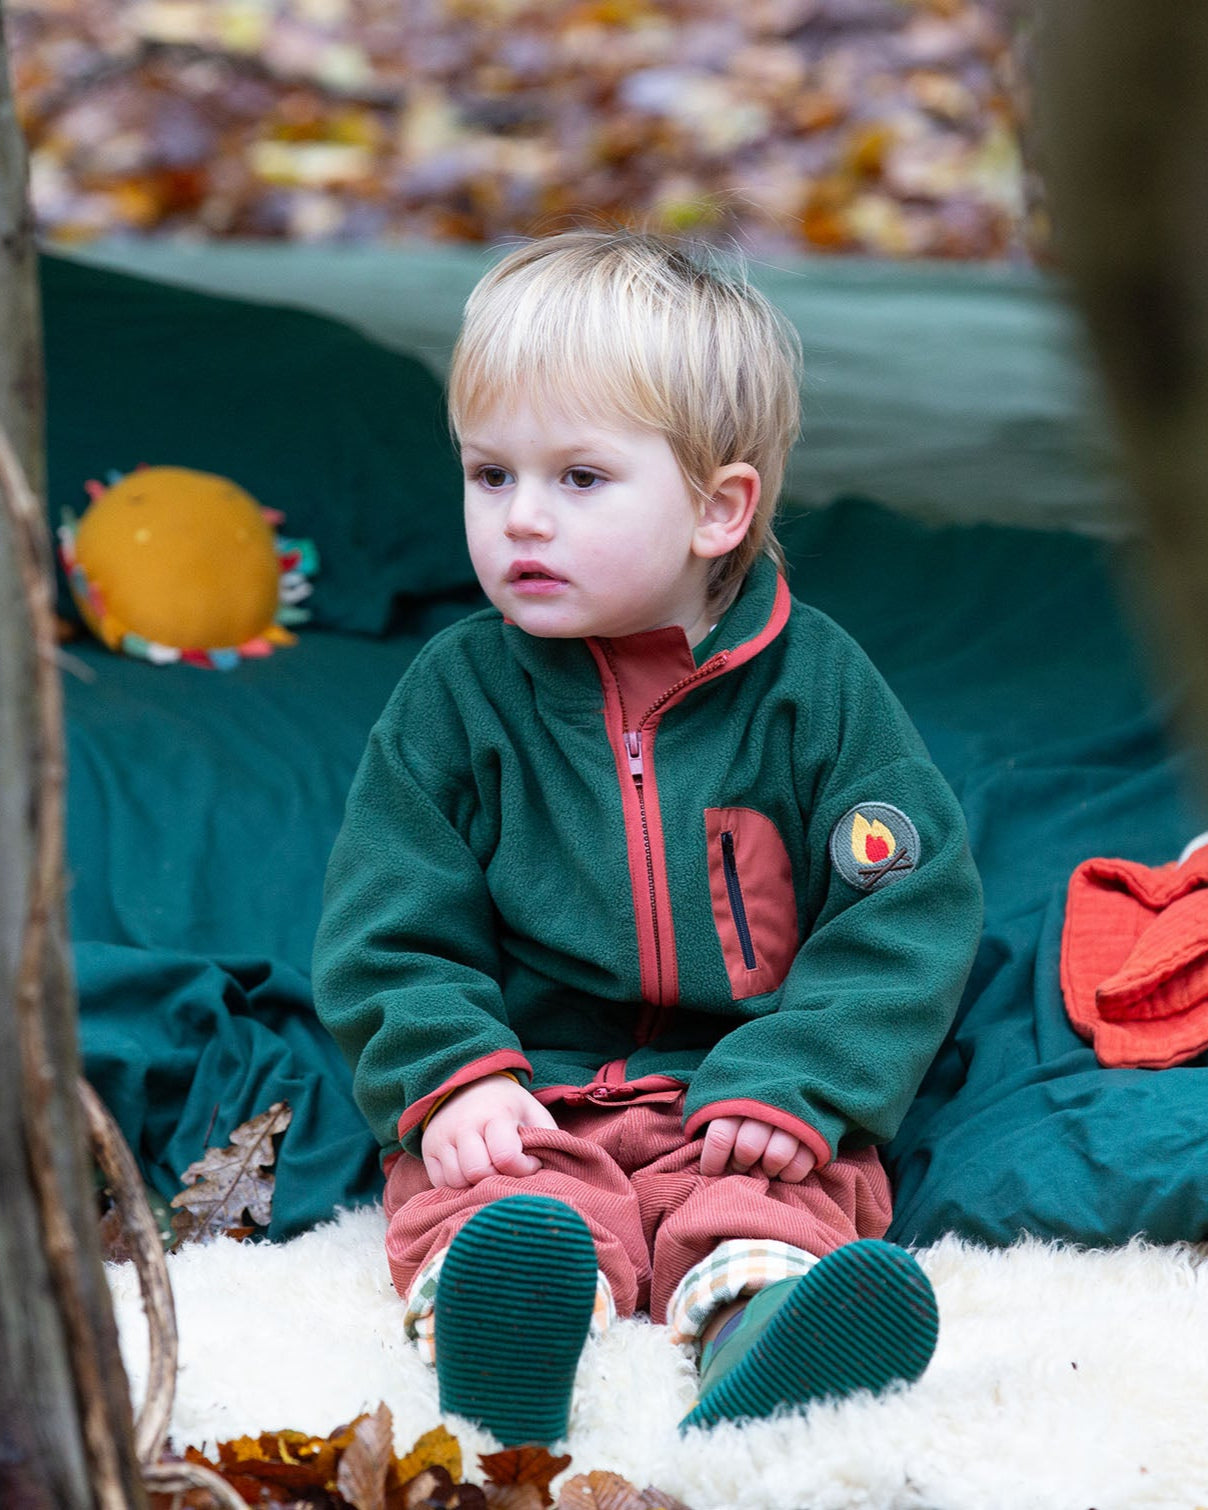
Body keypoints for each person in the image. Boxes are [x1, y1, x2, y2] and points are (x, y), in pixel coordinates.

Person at [312, 229, 983, 1447]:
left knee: (773, 1200)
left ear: (717, 509)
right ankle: (515, 1315)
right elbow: (384, 922)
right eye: (488, 474)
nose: (520, 519)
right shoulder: (457, 693)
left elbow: (906, 912)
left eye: (578, 478)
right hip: (533, 1086)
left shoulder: (815, 691)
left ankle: (760, 1322)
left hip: (744, 1089)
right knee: (488, 1195)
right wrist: (451, 1075)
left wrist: (805, 1083)